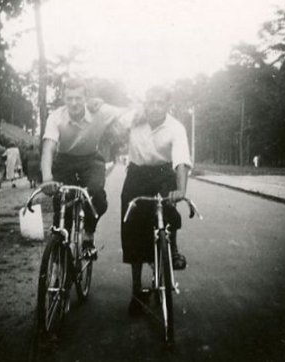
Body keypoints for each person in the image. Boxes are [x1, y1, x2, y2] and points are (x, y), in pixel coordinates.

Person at [121, 86, 192, 316]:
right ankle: (135, 290)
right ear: (145, 102)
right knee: (131, 223)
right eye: (150, 102)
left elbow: (181, 160)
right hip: (137, 173)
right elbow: (109, 119)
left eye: (159, 103)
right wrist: (95, 103)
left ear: (167, 105)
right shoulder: (134, 118)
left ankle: (171, 249)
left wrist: (180, 190)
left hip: (163, 173)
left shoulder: (175, 127)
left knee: (169, 209)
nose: (154, 107)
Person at [40, 78, 130, 258]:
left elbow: (128, 111)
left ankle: (88, 235)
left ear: (86, 97)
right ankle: (58, 261)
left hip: (90, 160)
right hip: (64, 161)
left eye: (78, 98)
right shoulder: (56, 117)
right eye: (69, 98)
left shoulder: (100, 111)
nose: (74, 103)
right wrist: (47, 178)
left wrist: (103, 102)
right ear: (64, 98)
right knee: (61, 210)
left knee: (96, 195)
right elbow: (48, 149)